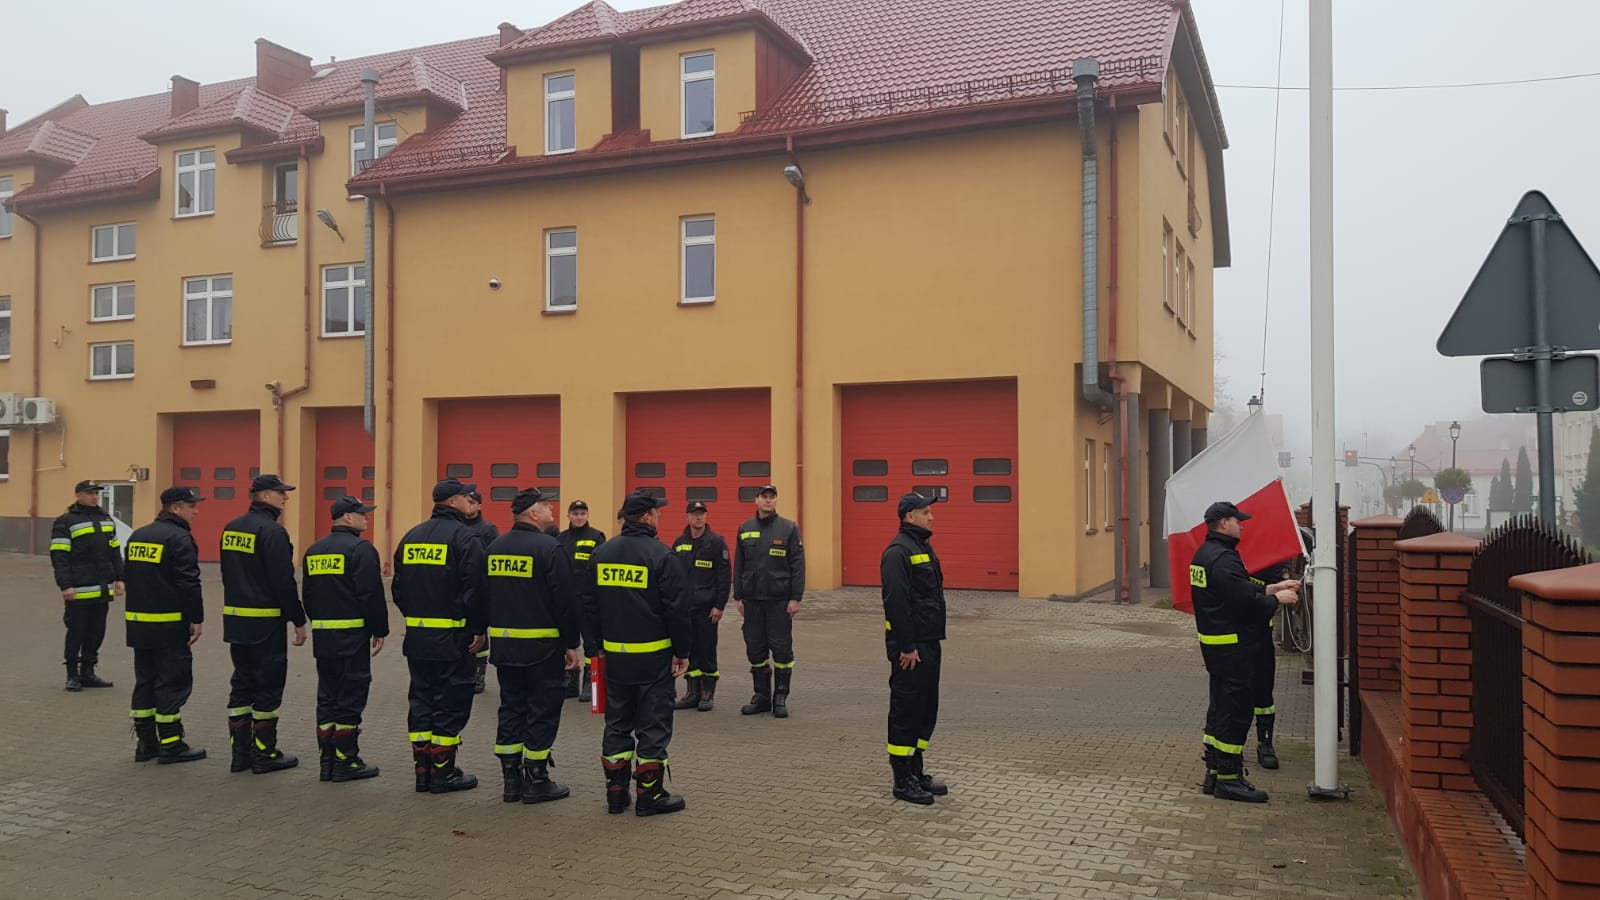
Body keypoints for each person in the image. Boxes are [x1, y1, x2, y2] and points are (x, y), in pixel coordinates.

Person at [583, 490, 692, 816]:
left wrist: (594, 649)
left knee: (617, 723)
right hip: (653, 660)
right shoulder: (663, 556)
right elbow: (677, 611)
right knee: (653, 725)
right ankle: (650, 796)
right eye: (656, 512)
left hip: (614, 659)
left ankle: (615, 795)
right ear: (646, 516)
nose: (659, 517)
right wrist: (682, 652)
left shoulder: (602, 554)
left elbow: (588, 606)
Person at [1190, 501, 1300, 803]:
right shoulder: (1224, 559)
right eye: (1238, 521)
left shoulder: (1205, 555)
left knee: (1220, 707)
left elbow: (1231, 592)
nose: (1242, 525)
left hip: (1217, 645)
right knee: (1236, 711)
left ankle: (1214, 772)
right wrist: (1278, 600)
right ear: (1224, 523)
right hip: (1234, 646)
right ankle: (1229, 779)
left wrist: (1271, 589)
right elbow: (1245, 605)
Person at [485, 488, 582, 804]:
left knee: (511, 708)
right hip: (542, 648)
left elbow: (481, 594)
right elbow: (565, 601)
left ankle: (511, 781)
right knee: (542, 709)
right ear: (533, 513)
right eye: (546, 506)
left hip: (505, 648)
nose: (552, 510)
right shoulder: (550, 548)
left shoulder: (495, 548)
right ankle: (536, 780)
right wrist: (571, 644)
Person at [393, 478, 489, 794]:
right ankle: (443, 772)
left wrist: (416, 617)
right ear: (452, 502)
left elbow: (398, 589)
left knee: (421, 700)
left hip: (418, 636)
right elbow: (475, 590)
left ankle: (422, 771)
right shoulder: (466, 538)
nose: (469, 500)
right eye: (465, 496)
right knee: (450, 702)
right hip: (453, 637)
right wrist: (477, 628)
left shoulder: (411, 537)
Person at [219, 474, 307, 775]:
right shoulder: (272, 532)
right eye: (281, 493)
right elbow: (283, 581)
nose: (286, 498)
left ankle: (240, 755)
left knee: (241, 685)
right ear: (265, 496)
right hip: (266, 623)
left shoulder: (232, 528)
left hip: (236, 621)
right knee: (267, 687)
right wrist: (298, 619)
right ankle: (264, 754)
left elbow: (228, 573)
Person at [301, 496, 389, 783]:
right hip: (352, 637)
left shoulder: (314, 550)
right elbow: (370, 594)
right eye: (362, 514)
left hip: (324, 637)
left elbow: (308, 596)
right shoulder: (361, 550)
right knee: (351, 698)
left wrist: (319, 623)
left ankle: (327, 761)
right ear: (348, 518)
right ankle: (346, 760)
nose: (367, 517)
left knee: (327, 698)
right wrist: (380, 629)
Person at [122, 487, 207, 765]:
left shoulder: (138, 535)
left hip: (138, 623)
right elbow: (188, 582)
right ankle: (172, 744)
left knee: (145, 681)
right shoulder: (179, 538)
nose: (196, 511)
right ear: (175, 508)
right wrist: (196, 618)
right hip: (168, 624)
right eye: (191, 506)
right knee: (172, 681)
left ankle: (146, 743)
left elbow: (129, 575)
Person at [880, 492, 948, 805]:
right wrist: (906, 646)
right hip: (911, 648)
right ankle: (901, 780)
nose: (931, 517)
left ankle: (916, 770)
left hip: (929, 641)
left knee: (925, 708)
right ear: (910, 516)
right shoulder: (898, 552)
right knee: (906, 710)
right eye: (926, 512)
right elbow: (896, 603)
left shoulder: (922, 546)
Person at [732, 484, 805, 718]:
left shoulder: (788, 528)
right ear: (756, 500)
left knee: (781, 651)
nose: (768, 500)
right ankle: (761, 697)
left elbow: (797, 565)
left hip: (778, 601)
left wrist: (795, 598)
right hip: (752, 601)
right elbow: (739, 565)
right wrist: (738, 596)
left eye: (771, 497)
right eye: (764, 497)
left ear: (775, 501)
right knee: (755, 650)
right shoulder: (745, 528)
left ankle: (780, 698)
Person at [50, 479, 122, 692]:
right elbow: (59, 557)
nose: (94, 497)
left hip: (101, 588)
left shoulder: (106, 519)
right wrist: (65, 585)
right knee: (77, 633)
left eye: (96, 493)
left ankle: (88, 673)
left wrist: (121, 578)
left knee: (96, 632)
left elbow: (115, 551)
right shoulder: (65, 521)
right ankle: (72, 675)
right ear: (78, 495)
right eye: (90, 493)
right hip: (78, 588)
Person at [671, 501, 730, 712]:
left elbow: (724, 577)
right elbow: (672, 575)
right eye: (694, 514)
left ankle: (707, 693)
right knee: (689, 649)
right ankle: (692, 693)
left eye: (701, 514)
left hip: (707, 608)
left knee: (706, 649)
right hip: (685, 608)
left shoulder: (716, 543)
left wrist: (719, 606)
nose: (698, 518)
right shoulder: (679, 544)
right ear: (687, 517)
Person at [559, 500, 606, 703]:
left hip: (588, 598)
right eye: (575, 513)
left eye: (582, 513)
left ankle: (591, 682)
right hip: (566, 599)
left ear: (587, 515)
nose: (579, 517)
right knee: (567, 641)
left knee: (592, 644)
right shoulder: (561, 538)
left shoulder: (596, 537)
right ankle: (570, 680)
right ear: (568, 516)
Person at [464, 490, 499, 695]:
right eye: (466, 501)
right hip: (462, 588)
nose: (469, 505)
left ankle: (479, 673)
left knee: (480, 632)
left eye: (473, 502)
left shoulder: (487, 530)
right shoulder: (457, 527)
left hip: (481, 586)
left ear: (479, 506)